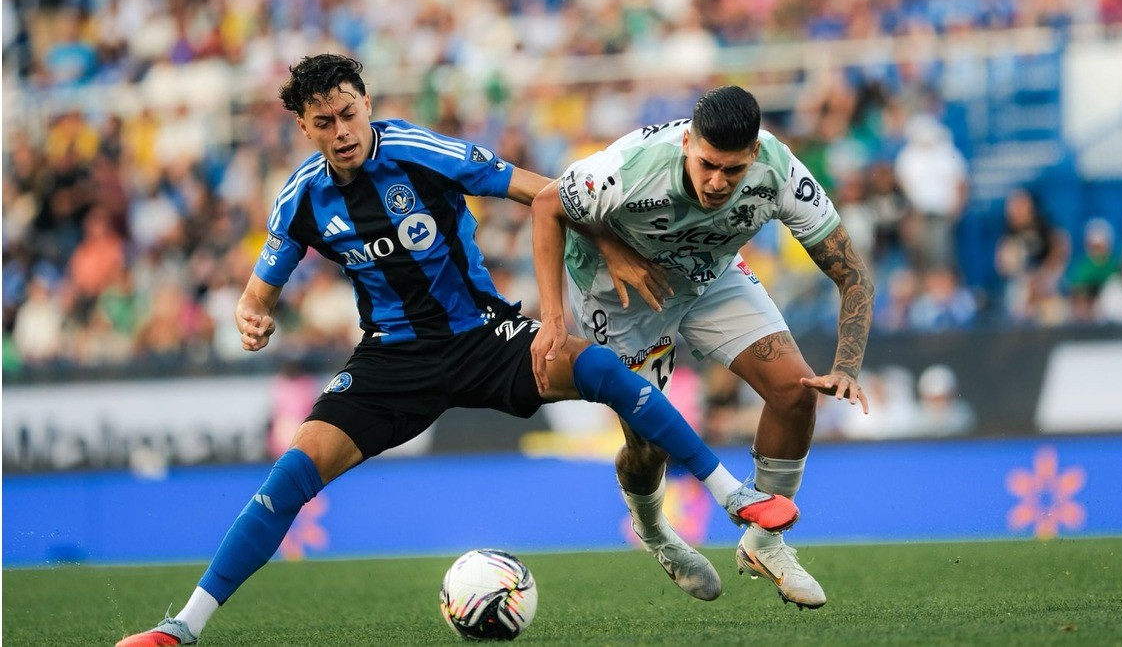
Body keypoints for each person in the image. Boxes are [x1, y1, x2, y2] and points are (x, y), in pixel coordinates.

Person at [115, 56, 797, 647]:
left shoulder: (418, 150)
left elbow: (544, 191)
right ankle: (183, 627)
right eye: (324, 123)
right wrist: (252, 311)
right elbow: (259, 290)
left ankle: (732, 493)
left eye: (349, 113)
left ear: (367, 104)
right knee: (291, 474)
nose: (342, 131)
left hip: (482, 336)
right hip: (393, 360)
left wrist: (612, 245)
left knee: (598, 366)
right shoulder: (299, 199)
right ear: (305, 127)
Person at [530, 85, 875, 609]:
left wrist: (847, 366)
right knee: (652, 445)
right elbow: (546, 204)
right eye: (707, 165)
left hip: (709, 278)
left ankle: (766, 542)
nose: (717, 182)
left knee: (796, 391)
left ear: (754, 155)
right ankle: (655, 533)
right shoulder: (633, 165)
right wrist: (557, 314)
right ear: (688, 142)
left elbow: (854, 275)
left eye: (732, 171)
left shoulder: (779, 172)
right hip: (620, 295)